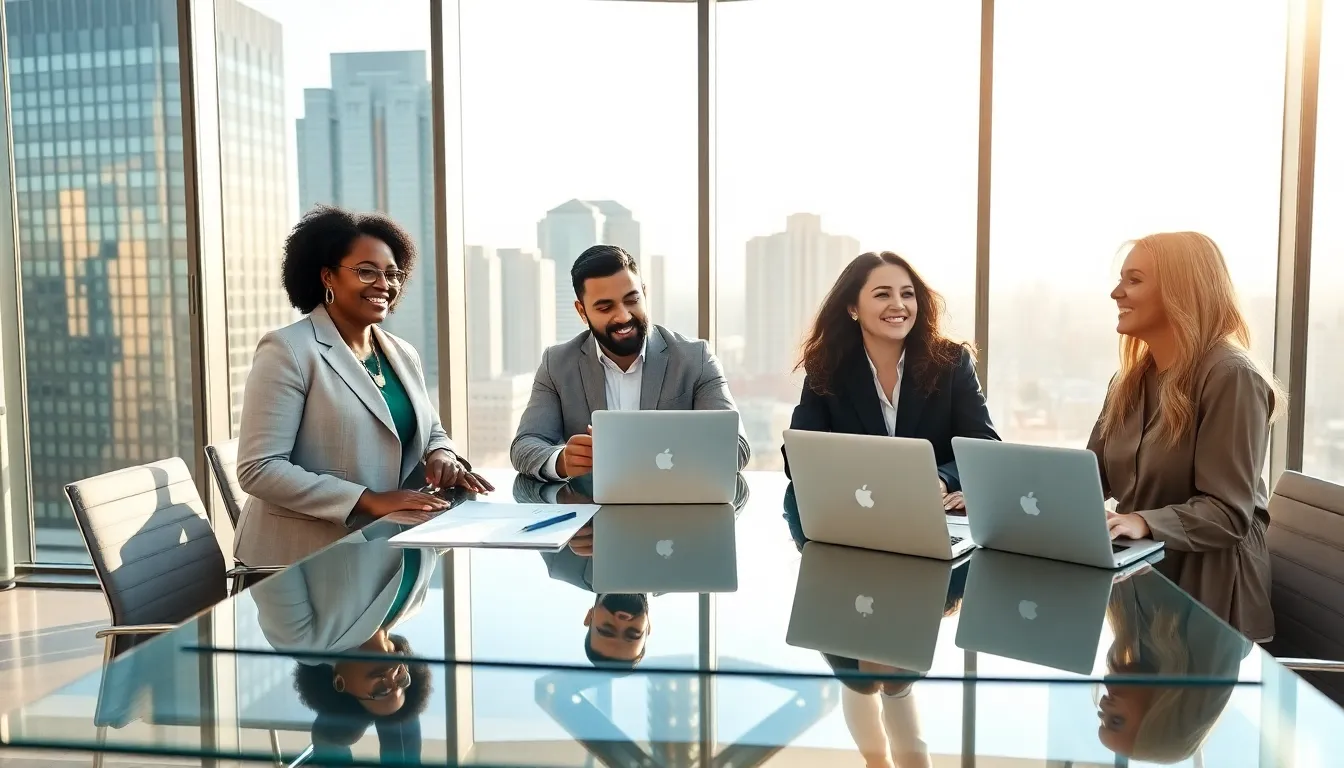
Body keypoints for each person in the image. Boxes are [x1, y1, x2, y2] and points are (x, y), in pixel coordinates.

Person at [235, 206, 491, 567]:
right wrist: (368, 499)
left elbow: (432, 430)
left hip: (386, 546)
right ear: (327, 277)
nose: (384, 284)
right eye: (366, 271)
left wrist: (441, 457)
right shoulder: (288, 350)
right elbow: (259, 469)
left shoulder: (401, 353)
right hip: (302, 560)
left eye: (392, 273)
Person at [1087, 231, 1281, 641]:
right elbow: (1090, 476)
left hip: (1207, 602)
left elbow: (1228, 513)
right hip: (1142, 581)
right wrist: (1015, 497)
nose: (1115, 293)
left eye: (1134, 280)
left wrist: (1140, 520)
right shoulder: (1129, 381)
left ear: (1181, 291)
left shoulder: (1231, 376)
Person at [510, 244, 751, 480]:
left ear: (644, 294)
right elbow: (525, 445)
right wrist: (561, 460)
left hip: (676, 508)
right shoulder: (557, 364)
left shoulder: (695, 359)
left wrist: (670, 450)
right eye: (605, 307)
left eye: (632, 300)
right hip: (591, 511)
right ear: (582, 312)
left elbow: (737, 448)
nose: (623, 316)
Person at [788, 251, 999, 511]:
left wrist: (942, 479)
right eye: (882, 294)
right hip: (859, 511)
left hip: (933, 512)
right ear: (853, 308)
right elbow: (798, 458)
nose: (898, 304)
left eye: (907, 294)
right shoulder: (828, 366)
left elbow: (985, 446)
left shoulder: (951, 362)